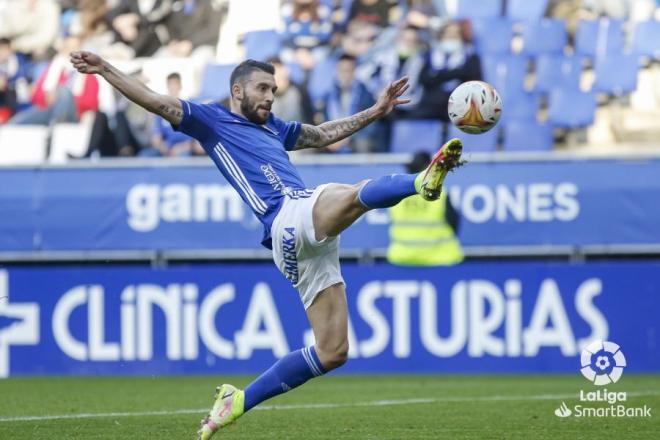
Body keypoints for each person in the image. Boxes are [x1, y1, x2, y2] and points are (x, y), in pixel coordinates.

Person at [69, 50, 464, 439]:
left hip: (298, 241)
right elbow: (155, 101)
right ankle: (420, 181)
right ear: (236, 90)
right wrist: (105, 69)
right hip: (285, 216)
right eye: (262, 88)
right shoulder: (211, 119)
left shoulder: (274, 127)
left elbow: (324, 133)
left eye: (273, 89)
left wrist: (376, 111)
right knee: (353, 193)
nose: (270, 96)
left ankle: (237, 400)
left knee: (332, 351)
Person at [387, 151, 463, 266]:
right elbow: (454, 223)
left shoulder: (396, 194)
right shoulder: (440, 194)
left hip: (403, 260)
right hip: (439, 260)